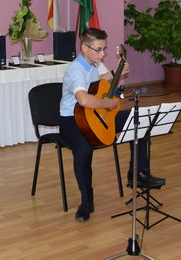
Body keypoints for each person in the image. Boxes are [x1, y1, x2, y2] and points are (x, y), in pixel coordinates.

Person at [59, 27, 164, 222]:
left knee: (138, 119)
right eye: (99, 49)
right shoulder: (75, 70)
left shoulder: (92, 65)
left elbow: (95, 84)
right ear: (84, 48)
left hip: (93, 115)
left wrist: (115, 73)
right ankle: (86, 202)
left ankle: (138, 172)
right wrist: (107, 103)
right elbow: (83, 99)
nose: (103, 54)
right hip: (72, 120)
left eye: (104, 49)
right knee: (84, 150)